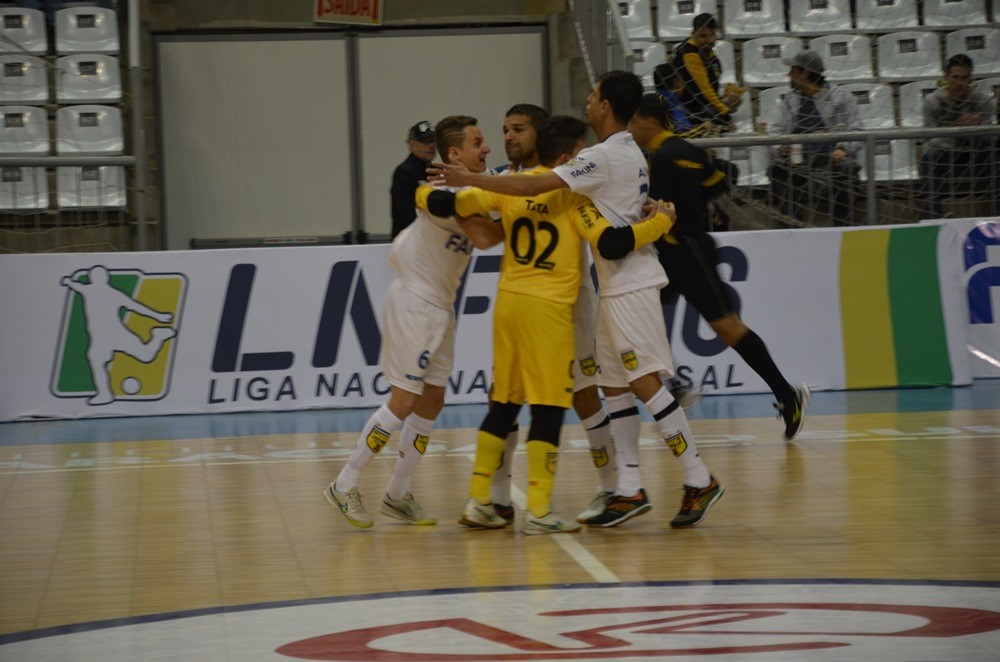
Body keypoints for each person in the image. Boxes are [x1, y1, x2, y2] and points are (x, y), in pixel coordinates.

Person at [430, 70, 723, 530]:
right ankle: (625, 487)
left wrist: (465, 182)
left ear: (606, 106)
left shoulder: (596, 160)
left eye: (592, 96)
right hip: (604, 287)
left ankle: (697, 478)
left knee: (633, 384)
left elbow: (596, 233)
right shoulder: (615, 157)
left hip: (619, 284)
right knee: (613, 386)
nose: (587, 102)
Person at [324, 115, 491, 528]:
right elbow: (478, 228)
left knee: (433, 400)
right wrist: (492, 198)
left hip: (442, 305)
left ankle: (397, 494)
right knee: (404, 399)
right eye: (478, 142)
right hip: (416, 300)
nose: (486, 149)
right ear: (455, 154)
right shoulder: (435, 190)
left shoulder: (480, 189)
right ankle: (343, 485)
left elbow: (492, 224)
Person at [628, 93, 810, 440]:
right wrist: (693, 202)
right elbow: (720, 182)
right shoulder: (689, 150)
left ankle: (787, 395)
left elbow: (657, 208)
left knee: (727, 326)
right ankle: (674, 385)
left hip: (682, 249)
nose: (631, 129)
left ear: (647, 120)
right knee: (644, 318)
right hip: (683, 248)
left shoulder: (661, 157)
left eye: (633, 122)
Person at [486, 103, 621, 525]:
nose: (509, 137)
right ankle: (495, 496)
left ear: (542, 136)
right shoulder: (503, 182)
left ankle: (611, 488)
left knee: (582, 394)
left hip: (569, 297)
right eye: (505, 128)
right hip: (521, 299)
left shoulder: (569, 177)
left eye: (519, 129)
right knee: (506, 394)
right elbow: (484, 228)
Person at [767, 50, 863, 226]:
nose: (788, 75)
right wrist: (781, 148)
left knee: (848, 169)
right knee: (776, 171)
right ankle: (794, 227)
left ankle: (842, 227)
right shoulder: (790, 101)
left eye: (792, 70)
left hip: (831, 160)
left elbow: (856, 129)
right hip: (798, 162)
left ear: (804, 73)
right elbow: (775, 131)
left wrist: (843, 149)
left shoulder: (840, 97)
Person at [60, 266, 176, 406]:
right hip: (101, 338)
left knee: (145, 356)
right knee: (97, 360)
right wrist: (68, 282)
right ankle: (104, 394)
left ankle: (158, 336)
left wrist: (159, 316)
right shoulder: (91, 290)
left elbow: (134, 306)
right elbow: (135, 306)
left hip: (115, 333)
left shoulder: (102, 292)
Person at [919, 53, 1000, 220]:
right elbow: (928, 141)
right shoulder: (933, 101)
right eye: (955, 77)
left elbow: (991, 139)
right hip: (946, 158)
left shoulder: (982, 100)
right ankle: (932, 216)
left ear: (970, 78)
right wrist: (958, 131)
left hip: (974, 157)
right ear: (947, 76)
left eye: (964, 78)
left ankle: (997, 214)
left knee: (994, 154)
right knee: (929, 157)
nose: (960, 83)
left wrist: (977, 129)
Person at [671, 13, 744, 129]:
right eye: (703, 36)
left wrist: (727, 97)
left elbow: (710, 90)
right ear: (693, 34)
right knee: (717, 114)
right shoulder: (689, 53)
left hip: (703, 106)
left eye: (712, 35)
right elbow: (704, 91)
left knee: (736, 100)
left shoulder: (710, 55)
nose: (709, 40)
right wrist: (726, 114)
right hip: (687, 110)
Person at [389, 120, 437, 238]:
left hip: (433, 241)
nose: (431, 145)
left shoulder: (437, 170)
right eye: (425, 141)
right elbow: (406, 213)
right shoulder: (404, 172)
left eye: (434, 141)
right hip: (410, 242)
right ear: (411, 144)